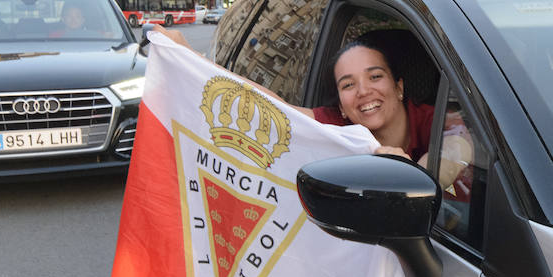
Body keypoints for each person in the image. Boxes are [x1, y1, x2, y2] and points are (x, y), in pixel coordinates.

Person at [158, 28, 472, 190]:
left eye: (375, 76)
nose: (364, 91)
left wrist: (412, 175)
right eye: (348, 85)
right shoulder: (335, 127)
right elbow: (272, 109)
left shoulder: (437, 119)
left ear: (399, 87)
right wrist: (188, 58)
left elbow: (457, 148)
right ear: (342, 107)